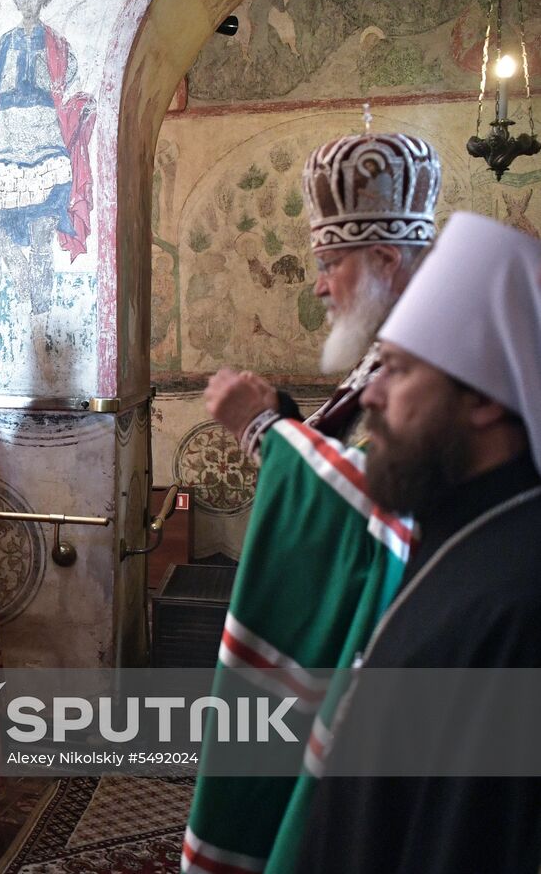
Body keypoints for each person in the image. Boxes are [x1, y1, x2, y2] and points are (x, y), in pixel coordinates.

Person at [183, 130, 440, 874]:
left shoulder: (433, 365)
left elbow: (388, 515)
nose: (319, 287)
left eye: (331, 265)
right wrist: (285, 421)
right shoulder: (390, 356)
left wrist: (261, 429)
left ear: (385, 261)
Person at [295, 212, 541, 874]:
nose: (370, 393)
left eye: (398, 371)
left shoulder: (518, 601)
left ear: (483, 400)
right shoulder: (459, 527)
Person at [0, 0, 95, 320]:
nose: (29, 1)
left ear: (43, 1)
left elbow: (67, 83)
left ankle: (41, 314)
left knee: (43, 225)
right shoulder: (4, 42)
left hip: (45, 138)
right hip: (7, 139)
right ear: (17, 0)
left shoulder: (57, 44)